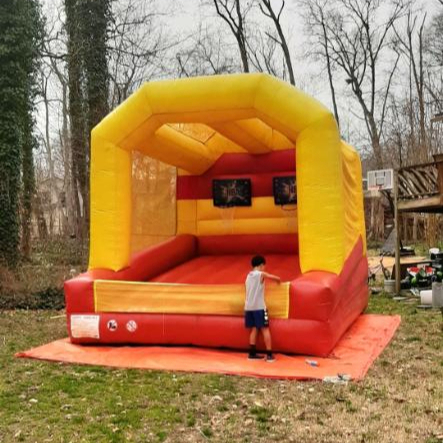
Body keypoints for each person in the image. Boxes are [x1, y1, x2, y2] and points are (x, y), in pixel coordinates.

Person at [244, 255, 281, 362]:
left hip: (248, 307)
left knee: (254, 328)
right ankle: (269, 355)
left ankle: (252, 353)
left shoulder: (248, 276)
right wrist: (279, 281)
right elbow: (276, 278)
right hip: (259, 307)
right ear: (261, 265)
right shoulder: (260, 274)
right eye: (264, 266)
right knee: (265, 329)